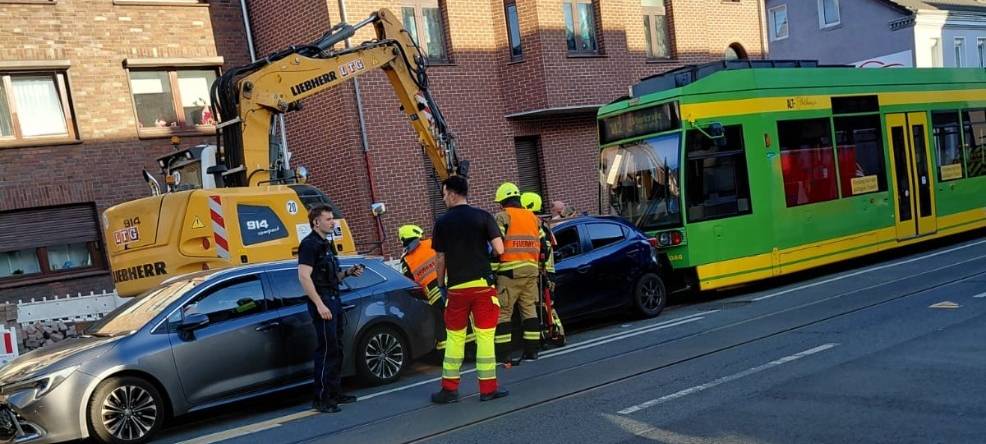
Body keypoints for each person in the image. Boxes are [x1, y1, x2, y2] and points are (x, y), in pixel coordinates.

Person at [430, 175, 509, 404]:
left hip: (457, 290)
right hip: (483, 287)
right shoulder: (483, 217)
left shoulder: (442, 223)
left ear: (453, 193)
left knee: (455, 338)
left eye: (444, 194)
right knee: (485, 337)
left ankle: (449, 390)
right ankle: (488, 389)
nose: (444, 198)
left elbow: (440, 258)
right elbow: (499, 248)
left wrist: (442, 284)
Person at [298, 205, 363, 414]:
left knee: (336, 348)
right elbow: (304, 277)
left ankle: (335, 393)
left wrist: (348, 273)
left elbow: (330, 277)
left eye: (332, 218)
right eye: (328, 219)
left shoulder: (327, 244)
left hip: (333, 298)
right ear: (316, 222)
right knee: (326, 350)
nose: (332, 222)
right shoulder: (309, 245)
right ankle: (322, 399)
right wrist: (319, 304)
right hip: (324, 301)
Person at [493, 183, 545, 364]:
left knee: (504, 313)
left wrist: (491, 270)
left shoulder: (502, 216)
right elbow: (544, 245)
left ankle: (504, 355)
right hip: (531, 270)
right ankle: (532, 351)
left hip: (509, 272)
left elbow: (496, 246)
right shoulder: (533, 217)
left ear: (503, 202)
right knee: (529, 310)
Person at [398, 224, 446, 349]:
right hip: (448, 287)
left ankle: (444, 351)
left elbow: (409, 283)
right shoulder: (431, 243)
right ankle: (469, 348)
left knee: (441, 324)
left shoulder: (405, 260)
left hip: (433, 296)